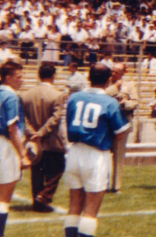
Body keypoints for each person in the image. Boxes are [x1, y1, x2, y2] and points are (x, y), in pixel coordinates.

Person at [63, 63, 130, 237]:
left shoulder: (74, 97)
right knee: (90, 210)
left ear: (88, 77)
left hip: (74, 151)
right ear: (109, 80)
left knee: (74, 206)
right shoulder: (110, 102)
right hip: (95, 155)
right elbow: (121, 134)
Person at [20, 62, 67, 212]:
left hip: (33, 141)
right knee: (58, 168)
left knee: (37, 171)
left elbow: (23, 117)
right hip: (52, 140)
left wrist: (32, 132)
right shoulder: (58, 94)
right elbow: (55, 118)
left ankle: (37, 200)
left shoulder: (26, 94)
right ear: (53, 76)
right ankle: (44, 197)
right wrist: (41, 132)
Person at [0, 61, 31, 237]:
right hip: (5, 146)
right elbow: (13, 128)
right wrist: (22, 155)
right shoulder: (11, 96)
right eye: (19, 77)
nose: (22, 80)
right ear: (8, 77)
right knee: (4, 198)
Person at [104, 63, 138, 193]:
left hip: (121, 123)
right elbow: (103, 96)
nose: (113, 74)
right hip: (106, 124)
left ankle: (116, 186)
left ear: (123, 73)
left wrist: (125, 104)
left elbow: (135, 102)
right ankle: (104, 184)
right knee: (104, 154)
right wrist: (115, 87)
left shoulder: (129, 85)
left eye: (116, 72)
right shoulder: (106, 84)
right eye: (112, 71)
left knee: (118, 156)